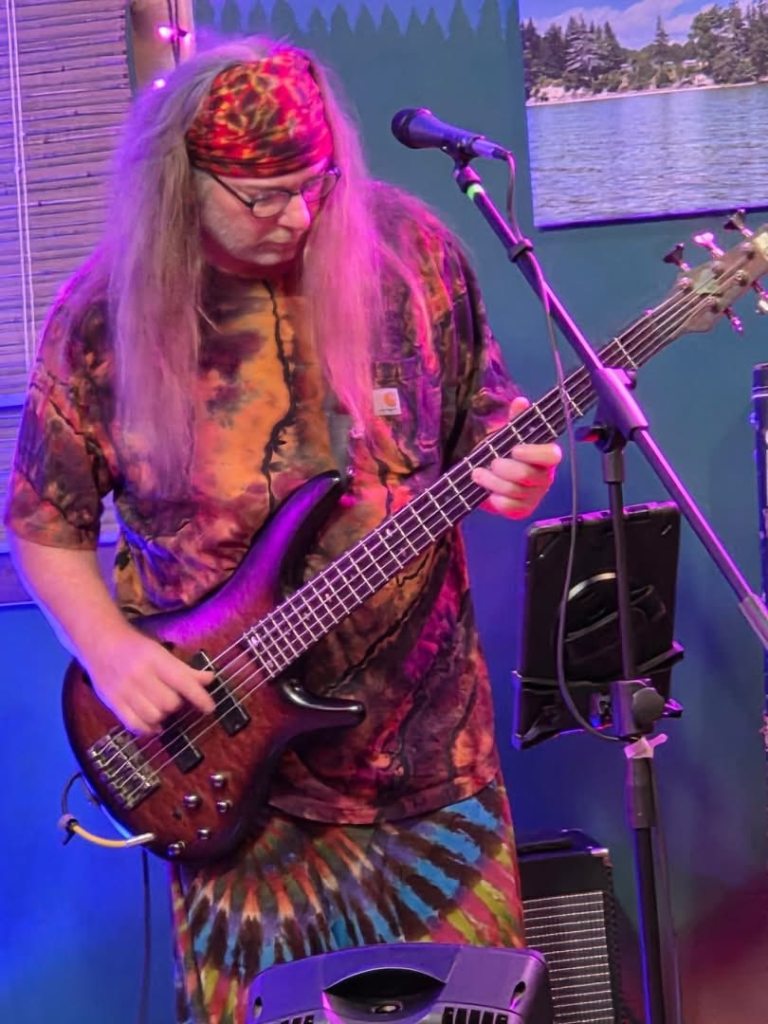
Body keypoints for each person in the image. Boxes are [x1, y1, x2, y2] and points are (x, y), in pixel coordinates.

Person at [4, 36, 561, 1024]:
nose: (298, 217)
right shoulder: (102, 315)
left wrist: (520, 469)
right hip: (231, 789)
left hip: (430, 768)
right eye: (262, 197)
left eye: (315, 185)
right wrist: (110, 651)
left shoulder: (411, 253)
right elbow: (45, 525)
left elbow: (487, 422)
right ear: (181, 182)